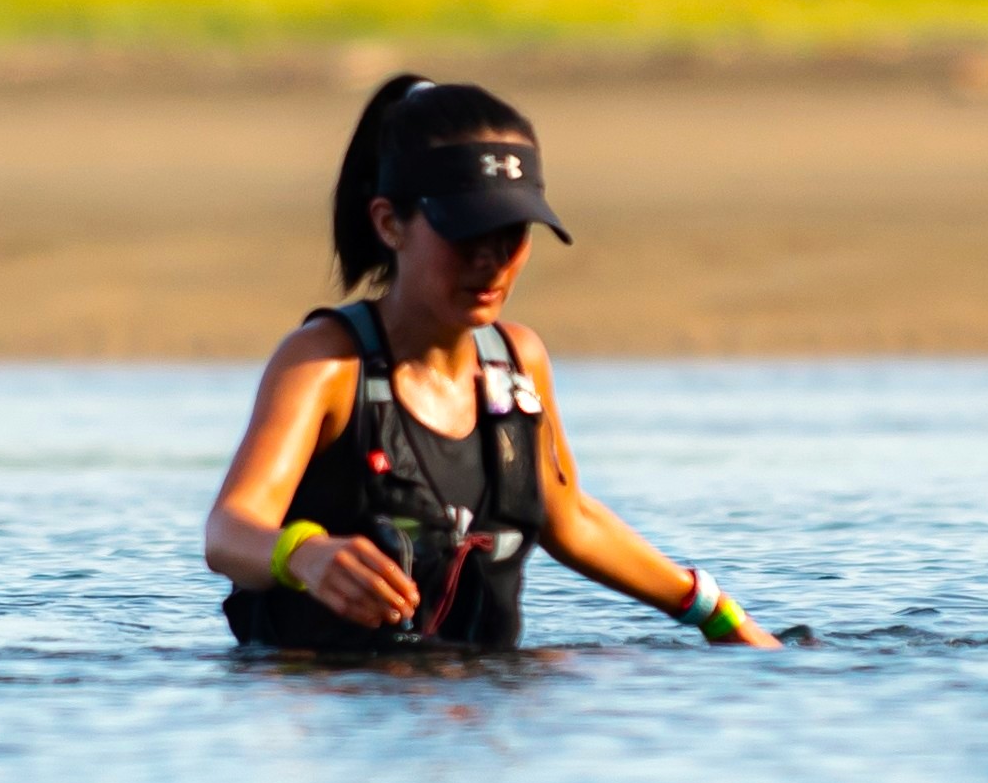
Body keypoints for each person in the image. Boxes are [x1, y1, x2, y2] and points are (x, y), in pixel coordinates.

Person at [201, 72, 770, 653]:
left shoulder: (519, 362)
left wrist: (715, 613)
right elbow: (228, 531)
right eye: (465, 232)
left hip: (494, 697)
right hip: (343, 697)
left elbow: (571, 520)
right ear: (389, 223)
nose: (491, 261)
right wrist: (303, 553)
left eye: (511, 233)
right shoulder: (325, 363)